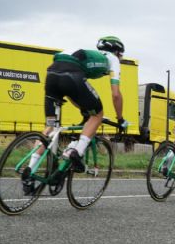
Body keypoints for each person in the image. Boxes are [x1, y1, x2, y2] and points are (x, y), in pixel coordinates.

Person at [24, 36, 129, 193]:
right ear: (118, 52)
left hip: (52, 74)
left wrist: (84, 109)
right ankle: (77, 152)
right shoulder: (112, 59)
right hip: (71, 75)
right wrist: (120, 119)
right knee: (98, 114)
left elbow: (74, 94)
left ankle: (29, 171)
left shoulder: (90, 52)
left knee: (50, 128)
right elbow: (115, 94)